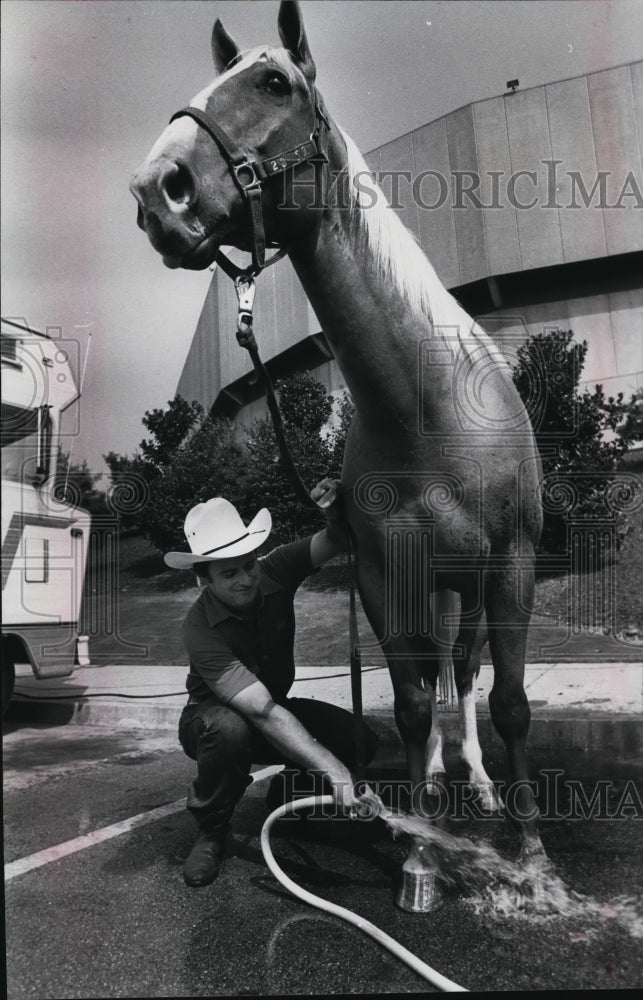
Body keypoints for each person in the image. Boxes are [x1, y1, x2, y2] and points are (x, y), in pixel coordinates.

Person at [164, 481, 377, 887]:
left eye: (249, 564)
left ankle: (291, 802)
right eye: (230, 573)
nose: (246, 579)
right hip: (213, 721)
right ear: (203, 579)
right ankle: (212, 829)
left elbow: (335, 538)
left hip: (274, 707)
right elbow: (259, 709)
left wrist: (332, 510)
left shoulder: (276, 567)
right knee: (229, 729)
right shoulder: (198, 628)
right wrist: (334, 771)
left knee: (360, 740)